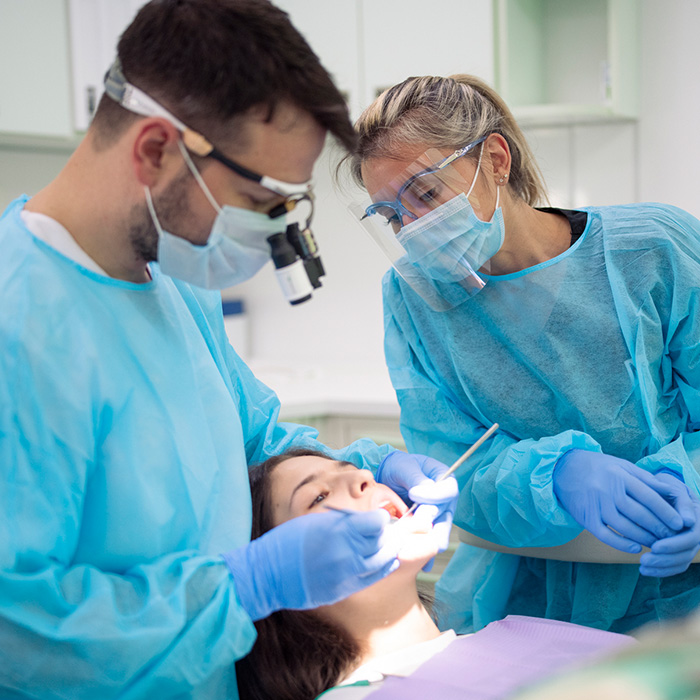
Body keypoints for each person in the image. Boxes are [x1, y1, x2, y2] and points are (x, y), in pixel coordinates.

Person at [0, 4, 459, 698]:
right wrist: (247, 587)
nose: (276, 231)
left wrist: (377, 466)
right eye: (261, 198)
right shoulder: (20, 328)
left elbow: (254, 439)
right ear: (156, 150)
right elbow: (21, 632)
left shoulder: (176, 280)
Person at [345, 73, 700, 636]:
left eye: (426, 194)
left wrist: (691, 486)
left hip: (681, 600)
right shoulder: (413, 298)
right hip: (524, 606)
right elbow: (453, 467)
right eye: (391, 216)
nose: (412, 227)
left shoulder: (652, 248)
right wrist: (557, 476)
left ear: (495, 159)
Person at [235, 448, 634, 700]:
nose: (363, 478)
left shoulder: (523, 634)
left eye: (357, 470)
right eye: (318, 497)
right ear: (278, 576)